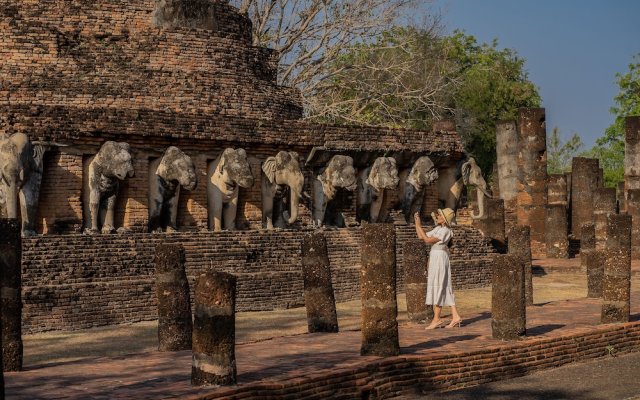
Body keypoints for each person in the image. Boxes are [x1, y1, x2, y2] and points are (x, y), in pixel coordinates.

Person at [414, 208, 462, 329]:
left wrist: (419, 225)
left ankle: (437, 319)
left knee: (440, 285)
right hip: (435, 257)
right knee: (442, 285)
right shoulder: (438, 229)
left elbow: (427, 240)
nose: (438, 216)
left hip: (440, 258)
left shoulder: (446, 231)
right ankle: (454, 317)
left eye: (440, 215)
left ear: (445, 219)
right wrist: (416, 223)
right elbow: (421, 236)